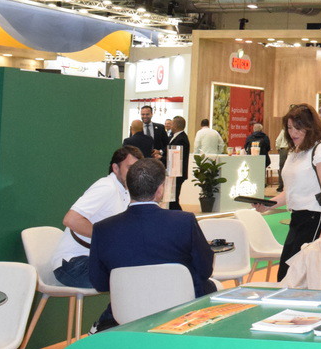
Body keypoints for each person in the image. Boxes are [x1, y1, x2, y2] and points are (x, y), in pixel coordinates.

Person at [88, 158, 216, 327]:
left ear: (128, 187)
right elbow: (205, 269)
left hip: (127, 314)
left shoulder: (103, 229)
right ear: (160, 189)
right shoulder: (184, 222)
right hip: (182, 314)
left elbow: (100, 283)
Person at [256, 104, 321, 280]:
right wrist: (268, 205)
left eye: (298, 128)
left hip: (316, 219)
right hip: (297, 220)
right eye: (290, 128)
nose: (293, 132)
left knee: (303, 279)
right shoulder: (295, 152)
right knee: (287, 277)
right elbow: (290, 192)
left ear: (310, 127)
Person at [49, 146, 141, 289]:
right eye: (130, 168)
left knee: (138, 270)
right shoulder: (107, 187)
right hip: (72, 265)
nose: (134, 174)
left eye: (137, 169)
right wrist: (107, 235)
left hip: (91, 260)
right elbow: (71, 220)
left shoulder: (125, 191)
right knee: (129, 278)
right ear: (115, 168)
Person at [167, 116, 190, 211]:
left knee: (174, 198)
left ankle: (178, 214)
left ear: (175, 125)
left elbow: (175, 156)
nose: (170, 126)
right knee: (173, 198)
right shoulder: (176, 137)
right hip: (174, 172)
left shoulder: (181, 139)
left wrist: (161, 157)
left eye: (172, 124)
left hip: (177, 172)